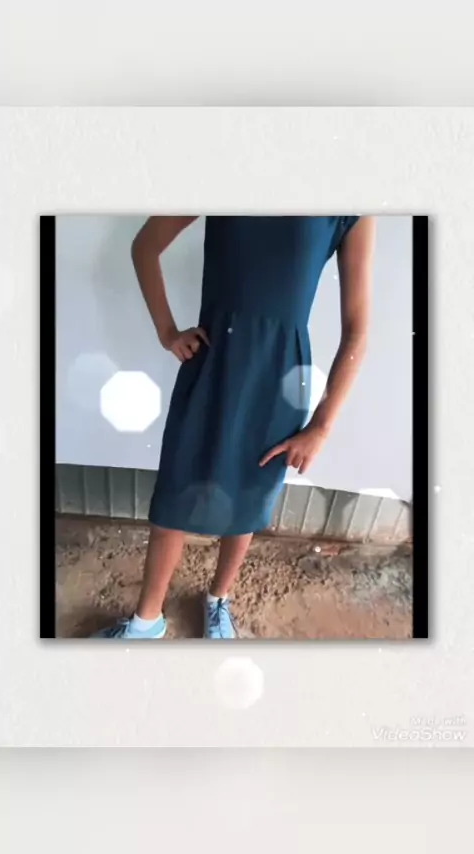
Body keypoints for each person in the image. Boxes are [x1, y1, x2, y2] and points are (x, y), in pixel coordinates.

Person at [95, 215, 375, 640]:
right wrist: (168, 332)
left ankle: (217, 600)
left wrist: (322, 425)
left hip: (279, 378)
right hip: (212, 362)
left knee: (249, 495)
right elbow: (145, 246)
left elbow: (357, 331)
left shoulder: (351, 204)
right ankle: (146, 621)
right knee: (176, 488)